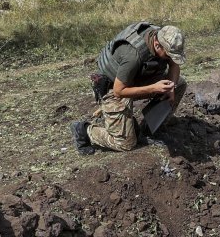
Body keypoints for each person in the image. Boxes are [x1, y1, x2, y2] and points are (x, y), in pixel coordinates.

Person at [70, 22, 186, 154]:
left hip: (136, 78)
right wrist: (154, 88)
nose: (170, 58)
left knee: (179, 84)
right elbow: (119, 91)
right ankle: (84, 130)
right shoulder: (132, 55)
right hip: (113, 86)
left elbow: (174, 64)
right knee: (125, 143)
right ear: (157, 44)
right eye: (168, 55)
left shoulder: (165, 38)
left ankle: (148, 130)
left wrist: (171, 87)